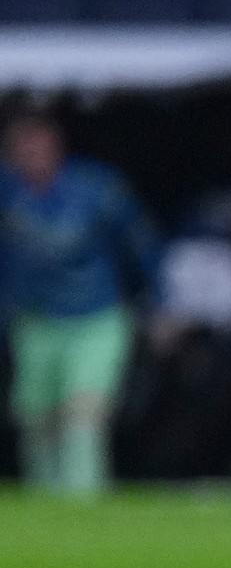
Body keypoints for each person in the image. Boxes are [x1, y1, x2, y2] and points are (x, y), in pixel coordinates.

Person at [1, 103, 158, 496]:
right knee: (38, 421)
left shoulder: (98, 189)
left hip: (96, 316)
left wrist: (158, 304)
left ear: (56, 144)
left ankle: (83, 504)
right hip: (35, 321)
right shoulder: (8, 192)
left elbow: (143, 245)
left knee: (84, 413)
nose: (31, 155)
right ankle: (45, 506)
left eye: (38, 144)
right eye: (21, 147)